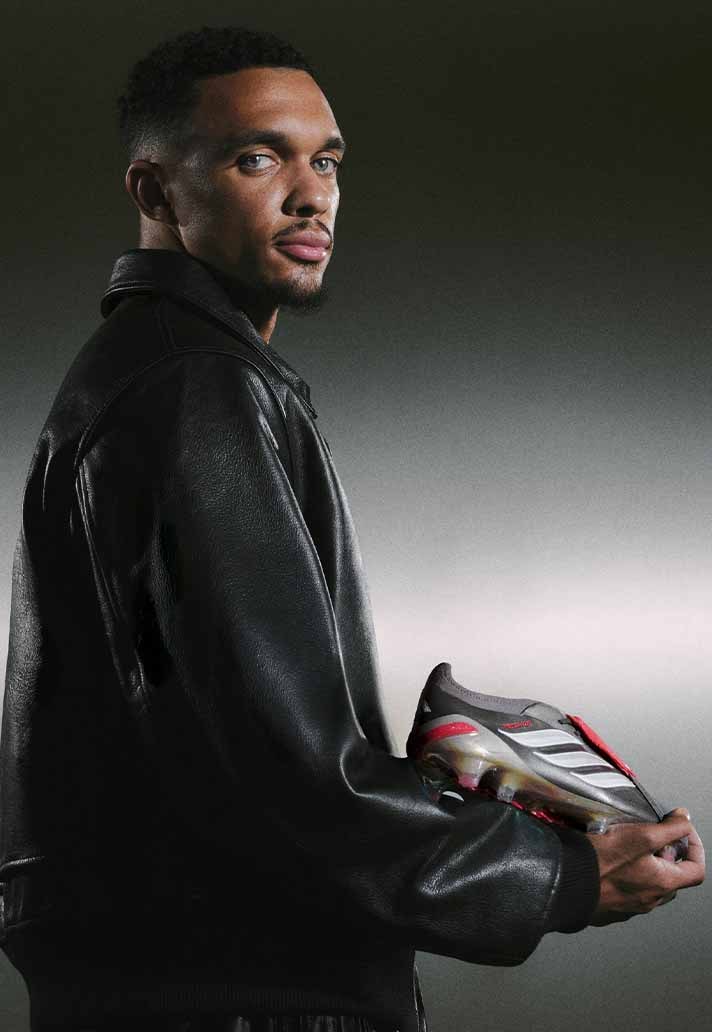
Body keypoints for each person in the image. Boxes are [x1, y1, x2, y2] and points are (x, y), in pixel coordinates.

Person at [0, 25, 704, 1032]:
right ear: (156, 192)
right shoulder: (193, 390)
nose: (311, 195)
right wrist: (558, 876)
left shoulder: (160, 372)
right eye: (258, 159)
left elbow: (218, 750)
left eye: (325, 161)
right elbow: (291, 777)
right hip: (235, 999)